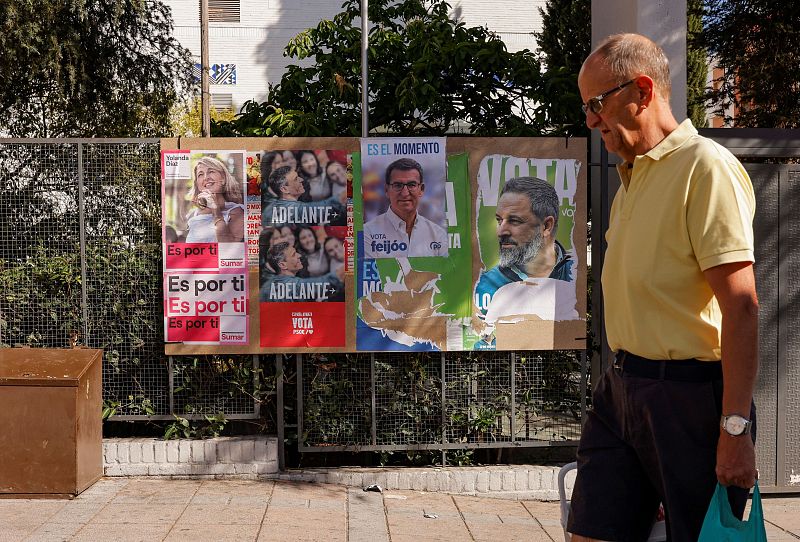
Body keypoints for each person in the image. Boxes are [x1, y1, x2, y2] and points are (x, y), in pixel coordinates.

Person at [568, 33, 758, 542]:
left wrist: (734, 430)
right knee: (590, 531)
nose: (590, 120)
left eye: (596, 103)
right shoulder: (631, 178)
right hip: (621, 389)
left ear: (643, 90)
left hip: (690, 399)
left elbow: (741, 308)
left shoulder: (706, 168)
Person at [474, 176, 574, 318]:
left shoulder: (576, 275)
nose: (501, 231)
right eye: (499, 220)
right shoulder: (483, 286)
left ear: (546, 226)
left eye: (514, 221)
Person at [362, 157, 448, 258]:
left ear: (422, 189)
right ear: (386, 190)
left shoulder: (438, 234)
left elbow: (446, 272)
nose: (405, 193)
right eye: (398, 185)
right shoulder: (367, 233)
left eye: (412, 185)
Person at [185, 156, 245, 243]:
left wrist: (216, 211)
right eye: (200, 174)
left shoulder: (237, 211)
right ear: (197, 184)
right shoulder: (193, 215)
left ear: (223, 179)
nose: (206, 177)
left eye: (211, 171)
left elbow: (227, 248)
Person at [260, 241, 344, 302]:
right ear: (283, 265)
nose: (299, 255)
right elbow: (330, 280)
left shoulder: (265, 287)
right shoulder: (293, 286)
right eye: (294, 254)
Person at [262, 166, 346, 227]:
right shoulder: (297, 209)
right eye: (295, 179)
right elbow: (329, 205)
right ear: (284, 189)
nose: (301, 180)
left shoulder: (269, 210)